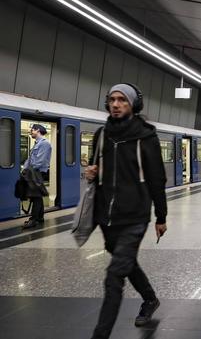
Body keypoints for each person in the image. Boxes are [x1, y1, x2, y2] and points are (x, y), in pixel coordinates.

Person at [85, 83, 168, 339]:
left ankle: (100, 335)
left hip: (135, 216)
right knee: (126, 262)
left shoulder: (146, 137)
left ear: (133, 105)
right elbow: (93, 167)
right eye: (112, 99)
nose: (116, 104)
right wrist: (90, 172)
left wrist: (161, 216)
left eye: (122, 100)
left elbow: (157, 179)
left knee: (113, 277)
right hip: (106, 216)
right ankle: (150, 299)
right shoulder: (102, 135)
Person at [22, 124, 52, 229]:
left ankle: (33, 220)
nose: (31, 132)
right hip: (33, 171)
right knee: (37, 195)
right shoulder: (37, 144)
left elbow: (40, 161)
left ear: (38, 130)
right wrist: (24, 169)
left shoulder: (45, 144)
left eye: (32, 130)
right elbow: (30, 159)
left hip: (37, 172)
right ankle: (40, 217)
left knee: (35, 196)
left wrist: (28, 170)